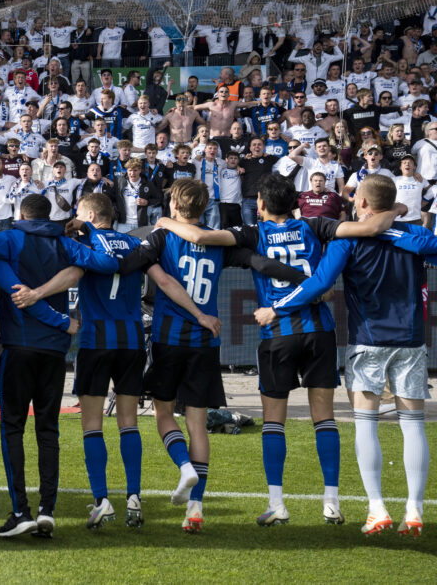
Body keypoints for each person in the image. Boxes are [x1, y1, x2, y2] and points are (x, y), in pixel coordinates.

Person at [156, 174, 402, 527]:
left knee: (274, 420)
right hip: (319, 330)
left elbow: (199, 235)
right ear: (296, 203)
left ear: (259, 205)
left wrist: (165, 220)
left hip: (277, 332)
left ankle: (277, 504)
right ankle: (331, 501)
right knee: (325, 417)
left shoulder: (253, 233)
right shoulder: (317, 225)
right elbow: (369, 228)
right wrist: (398, 207)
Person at [7, 193, 221, 531]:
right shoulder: (135, 243)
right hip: (132, 341)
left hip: (96, 340)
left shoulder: (89, 242)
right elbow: (162, 280)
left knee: (92, 424)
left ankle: (101, 501)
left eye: (79, 213)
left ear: (91, 214)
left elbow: (74, 275)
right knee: (128, 422)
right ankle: (134, 499)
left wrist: (37, 294)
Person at [0, 194, 133, 538]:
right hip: (55, 351)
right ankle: (46, 510)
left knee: (12, 430)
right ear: (50, 214)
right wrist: (86, 230)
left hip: (17, 348)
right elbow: (107, 263)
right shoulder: (64, 242)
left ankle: (20, 510)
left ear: (20, 213)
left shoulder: (10, 237)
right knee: (48, 431)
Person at [116, 179, 304, 533]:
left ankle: (184, 466)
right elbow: (260, 264)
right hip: (206, 344)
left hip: (168, 339)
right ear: (205, 209)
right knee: (198, 425)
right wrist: (305, 282)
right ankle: (196, 507)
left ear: (173, 205)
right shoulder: (219, 242)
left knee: (162, 415)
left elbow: (126, 264)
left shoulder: (160, 237)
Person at [257, 174, 430, 537]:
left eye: (356, 199)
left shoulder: (345, 241)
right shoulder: (415, 238)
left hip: (368, 341)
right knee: (413, 426)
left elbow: (319, 284)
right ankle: (413, 509)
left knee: (366, 425)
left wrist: (278, 308)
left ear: (364, 203)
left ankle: (377, 508)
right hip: (412, 342)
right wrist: (399, 220)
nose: (352, 203)